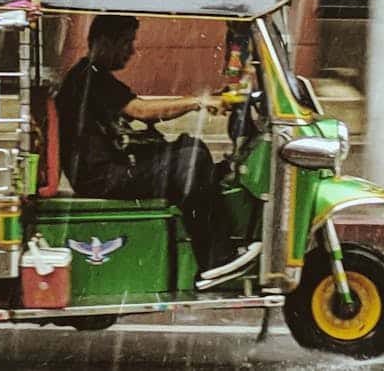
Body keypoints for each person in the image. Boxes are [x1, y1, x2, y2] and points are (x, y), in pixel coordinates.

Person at [54, 15, 259, 287]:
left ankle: (219, 245)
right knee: (190, 161)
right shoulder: (89, 78)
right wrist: (198, 101)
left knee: (190, 148)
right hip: (103, 177)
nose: (131, 51)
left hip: (109, 169)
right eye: (126, 43)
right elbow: (140, 109)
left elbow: (140, 113)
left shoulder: (93, 75)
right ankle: (216, 259)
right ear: (105, 42)